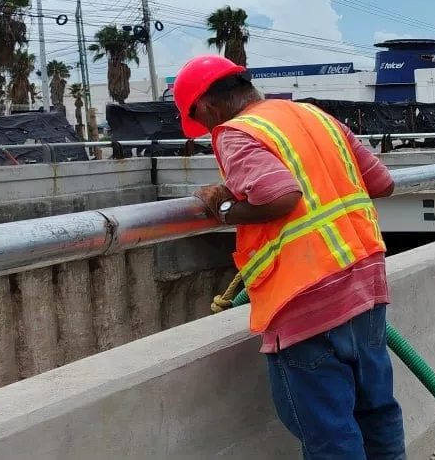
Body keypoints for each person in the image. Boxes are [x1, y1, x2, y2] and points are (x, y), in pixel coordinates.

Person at [172, 55, 405, 460]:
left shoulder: (235, 132)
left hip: (305, 298)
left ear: (207, 107)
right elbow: (381, 183)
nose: (207, 129)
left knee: (329, 434)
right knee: (376, 410)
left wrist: (223, 209)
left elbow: (281, 197)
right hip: (364, 283)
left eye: (201, 119)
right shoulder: (314, 116)